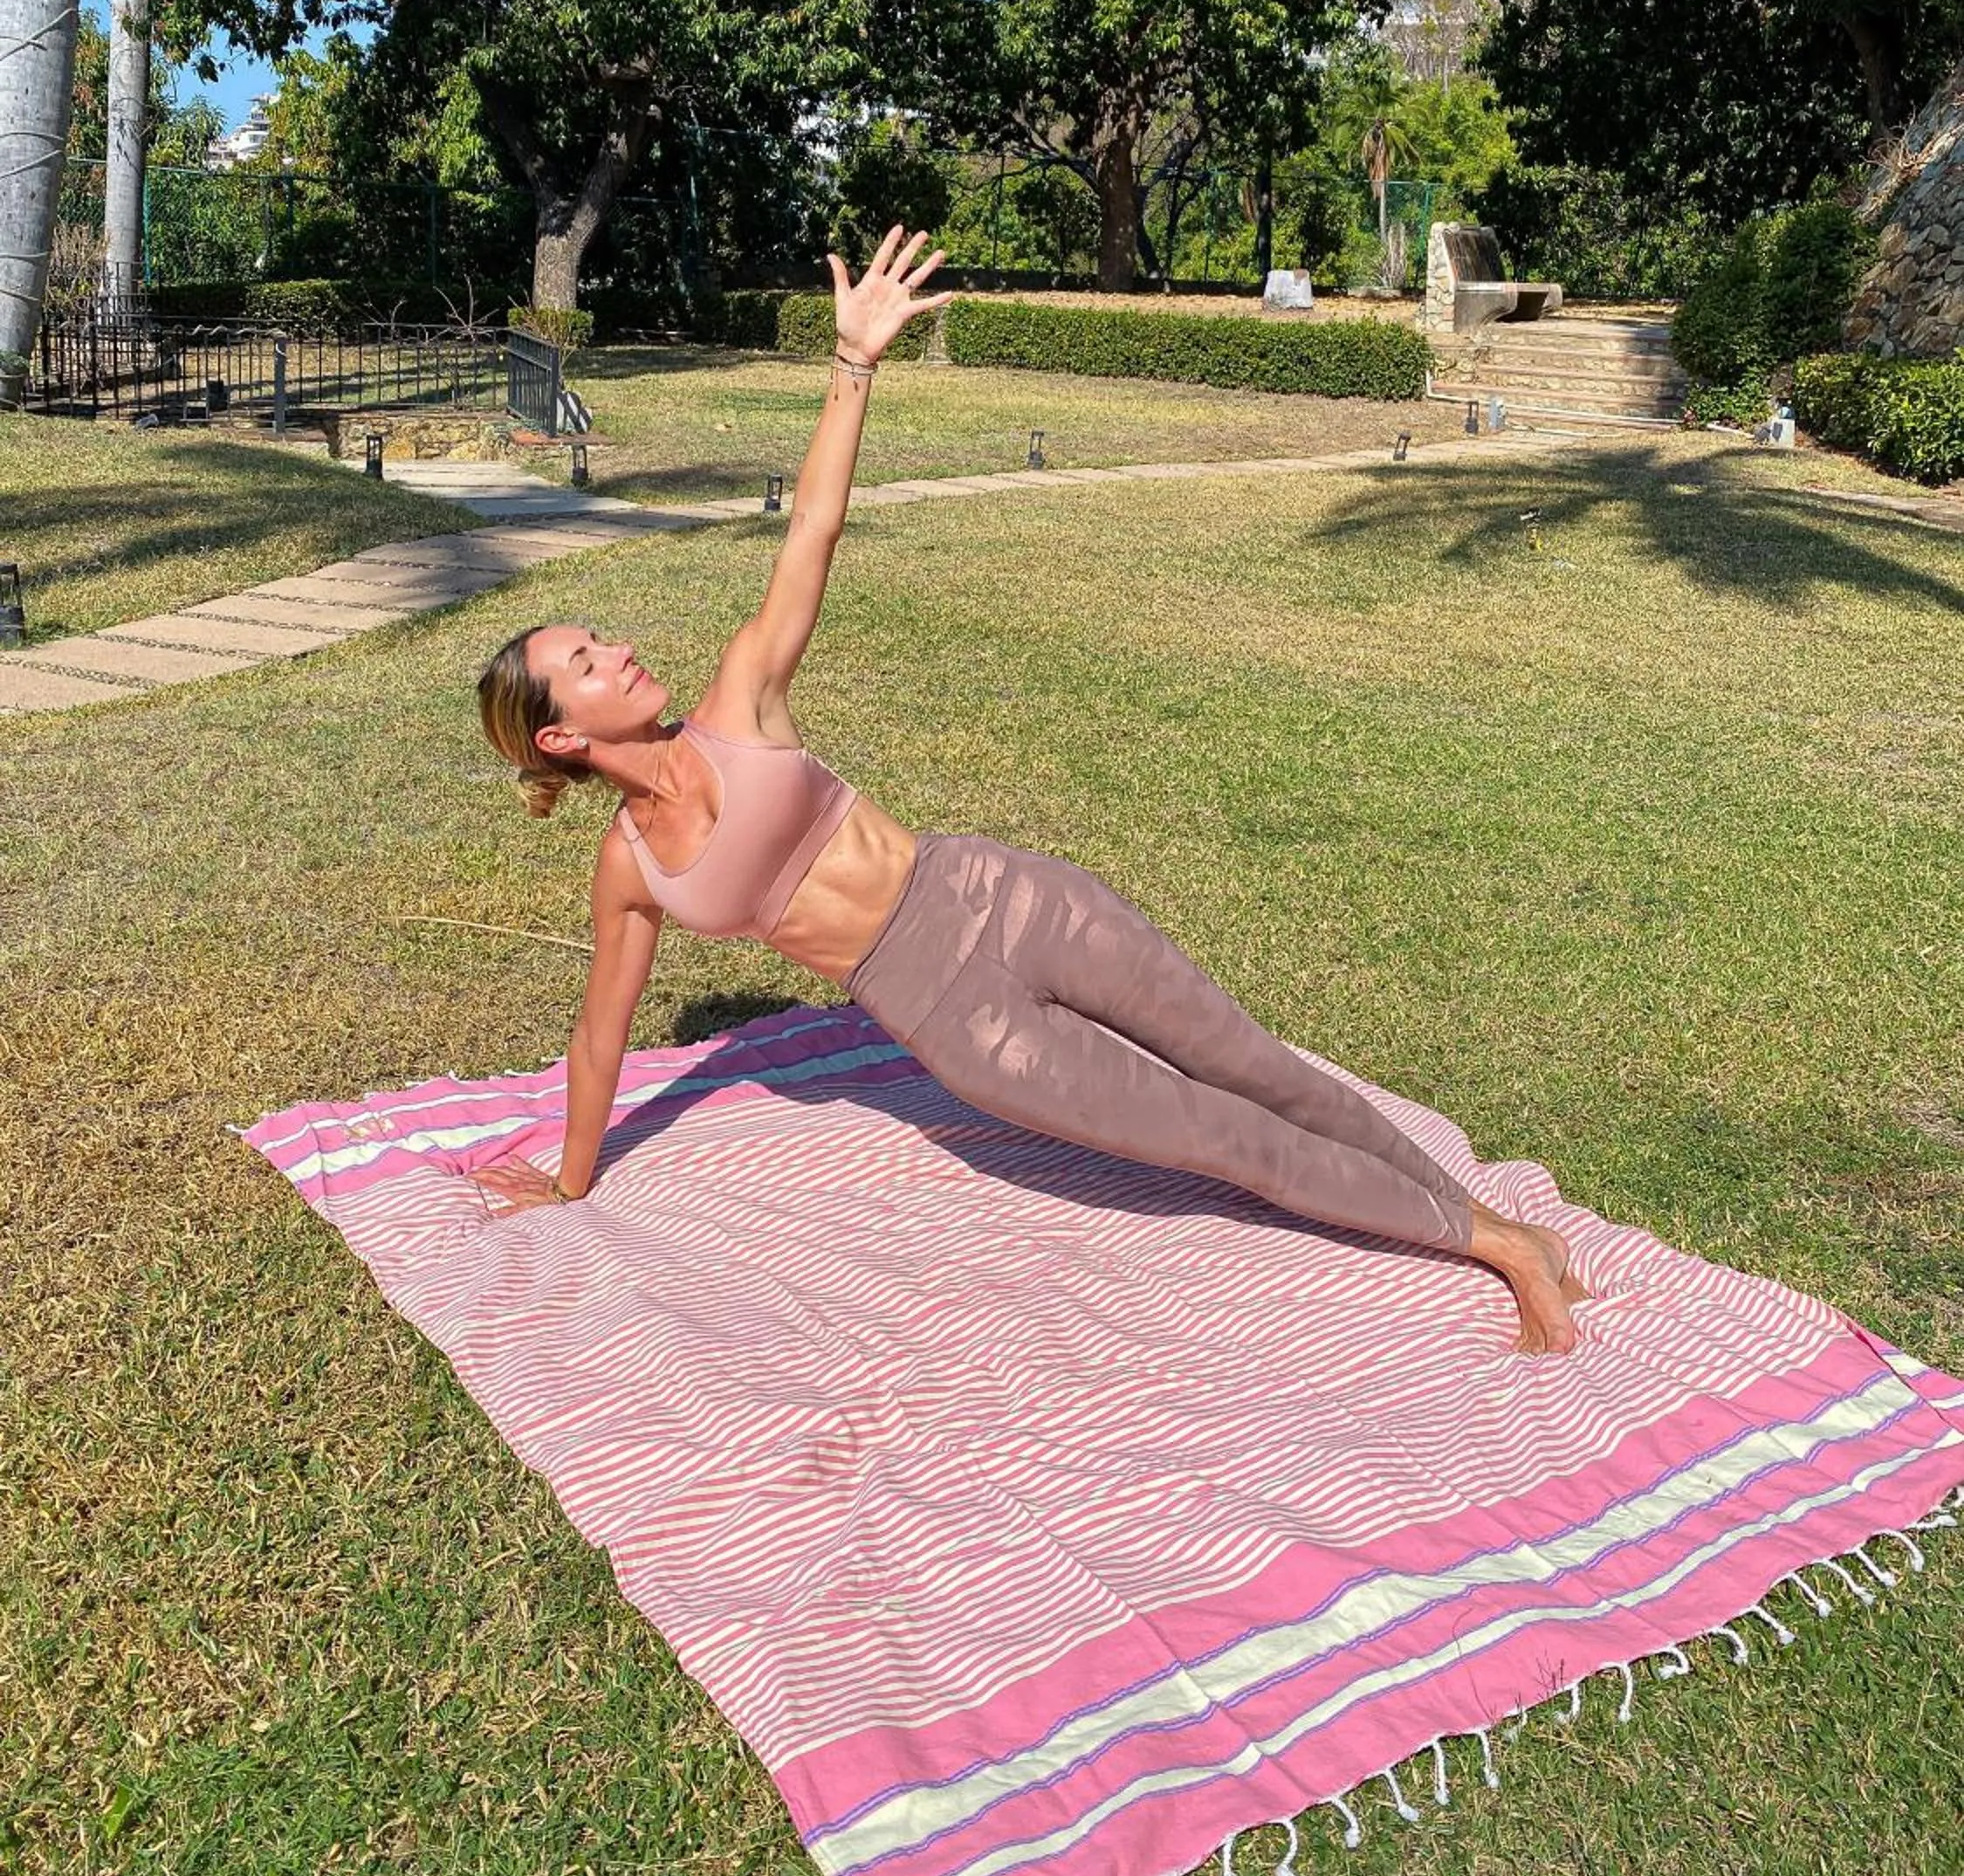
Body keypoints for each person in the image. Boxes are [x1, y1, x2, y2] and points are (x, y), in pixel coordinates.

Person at [474, 227, 1587, 1354]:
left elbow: (811, 528)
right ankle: (1494, 1247)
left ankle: (1482, 1222)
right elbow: (598, 1037)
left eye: (601, 638)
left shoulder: (738, 697)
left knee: (1249, 1064)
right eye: (586, 663)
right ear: (561, 736)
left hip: (1001, 896)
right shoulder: (632, 868)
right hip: (952, 1019)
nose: (616, 653)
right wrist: (571, 1183)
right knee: (1216, 1135)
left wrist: (852, 364)